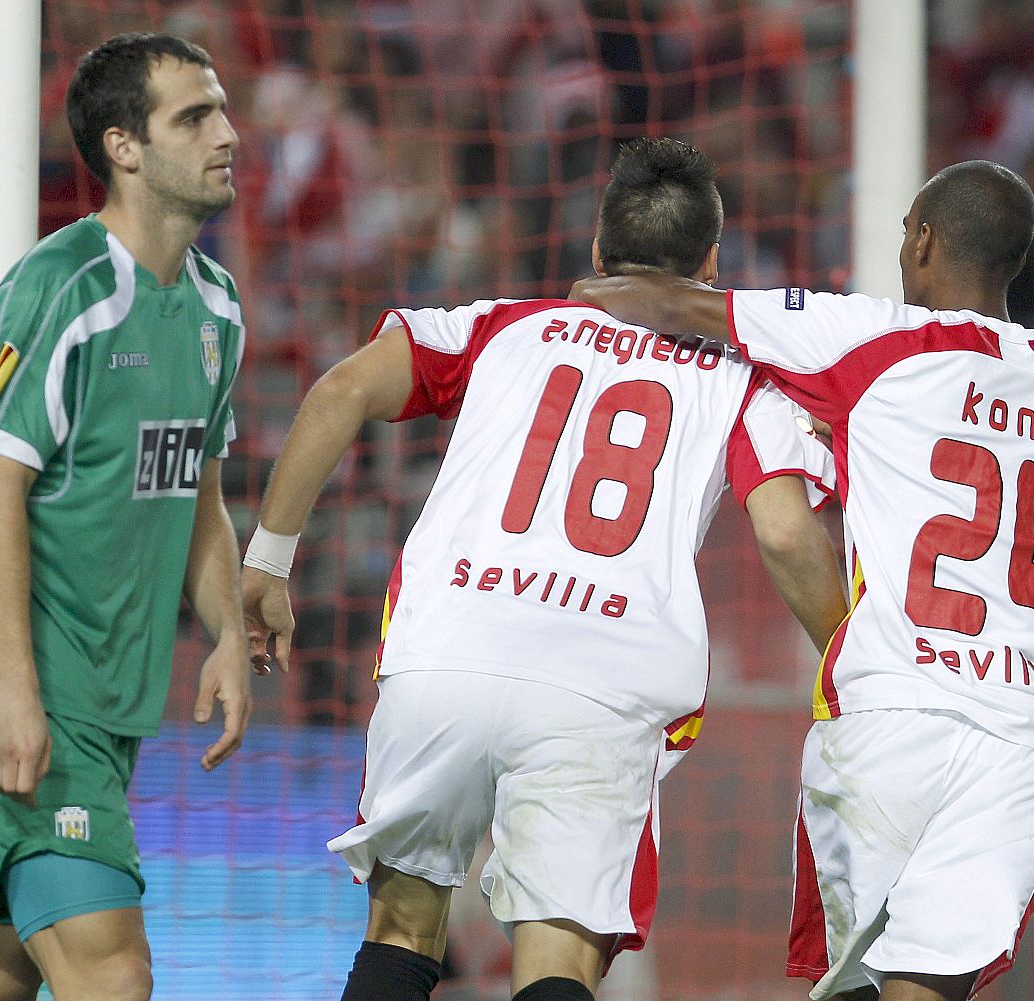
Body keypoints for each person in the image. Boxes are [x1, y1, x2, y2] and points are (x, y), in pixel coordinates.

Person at [241, 137, 847, 1001]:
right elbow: (786, 534)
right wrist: (853, 661)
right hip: (599, 685)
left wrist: (268, 561)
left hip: (445, 652)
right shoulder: (745, 381)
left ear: (597, 251)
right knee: (558, 960)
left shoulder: (503, 326)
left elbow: (341, 389)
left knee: (401, 930)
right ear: (712, 265)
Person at [573, 160, 1034, 1001]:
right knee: (927, 988)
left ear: (924, 239)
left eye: (902, 234)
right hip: (1022, 736)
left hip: (892, 713)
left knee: (853, 983)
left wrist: (587, 288)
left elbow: (659, 302)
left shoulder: (871, 339)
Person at [0, 33, 257, 1001]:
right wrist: (14, 692)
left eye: (221, 109)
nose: (227, 134)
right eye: (194, 116)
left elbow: (200, 496)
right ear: (124, 146)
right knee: (113, 973)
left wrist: (228, 634)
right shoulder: (62, 284)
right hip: (33, 690)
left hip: (112, 704)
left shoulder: (217, 307)